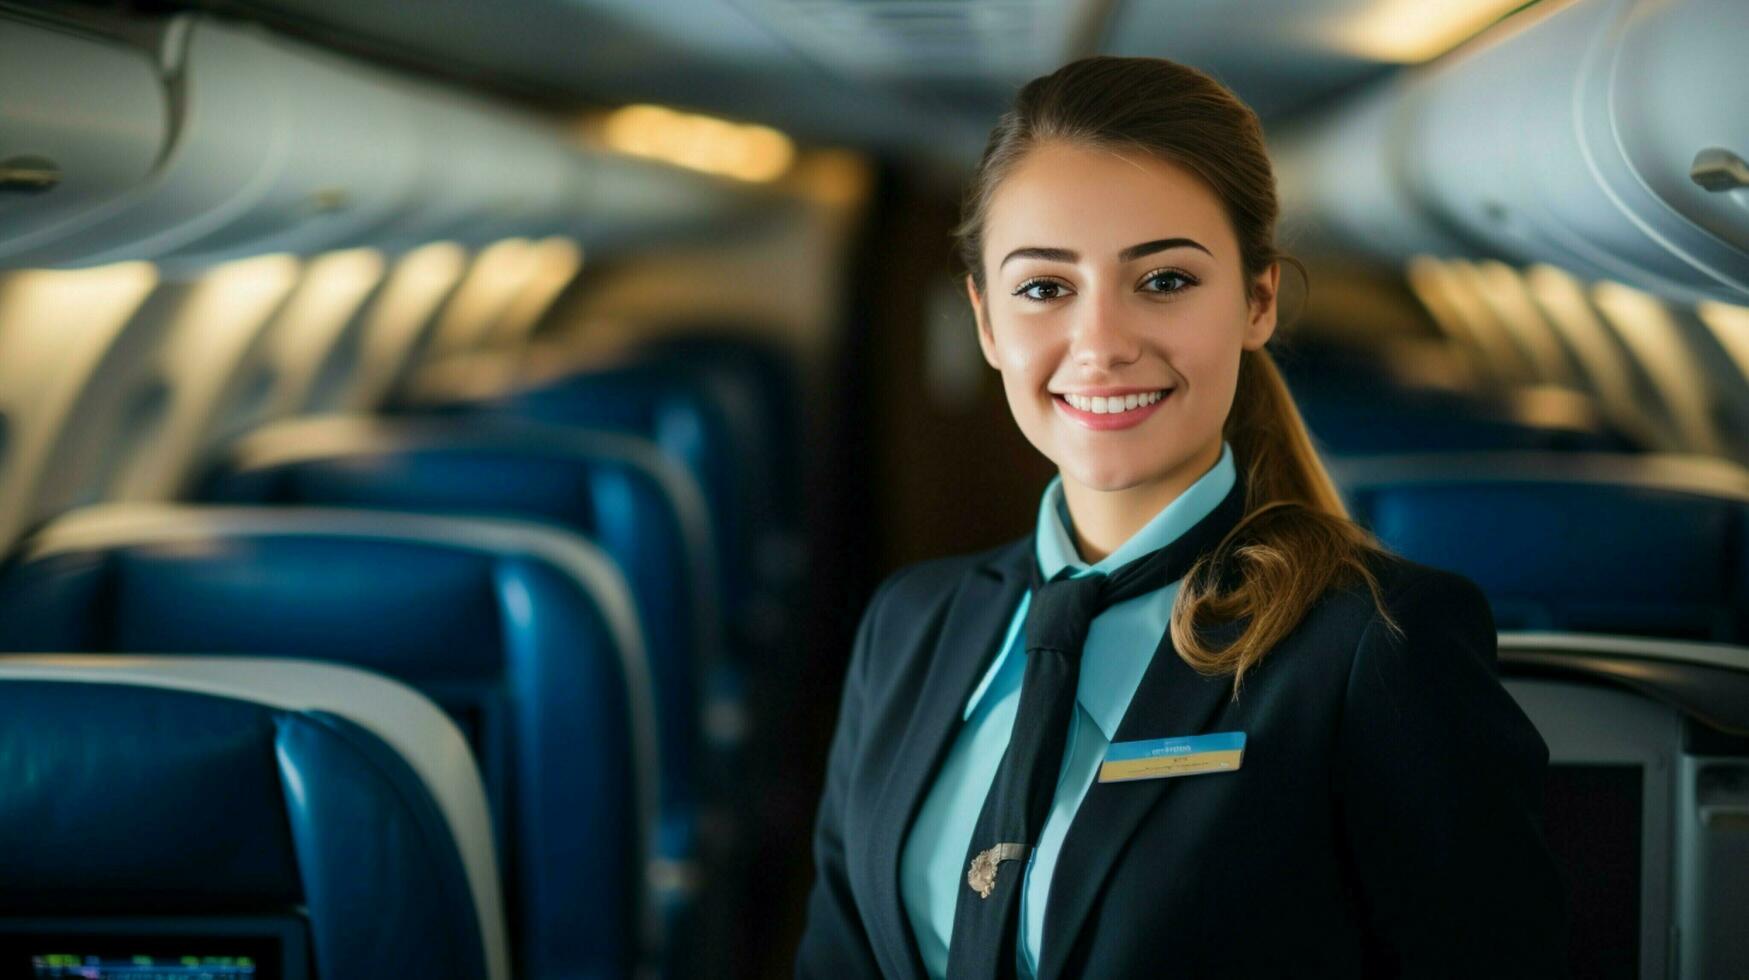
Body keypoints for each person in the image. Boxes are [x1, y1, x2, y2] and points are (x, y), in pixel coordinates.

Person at [795, 56, 1569, 979]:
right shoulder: (909, 626)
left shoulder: (1371, 648)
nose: (1103, 344)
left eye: (1162, 280)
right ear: (986, 322)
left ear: (1257, 299)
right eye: (1045, 288)